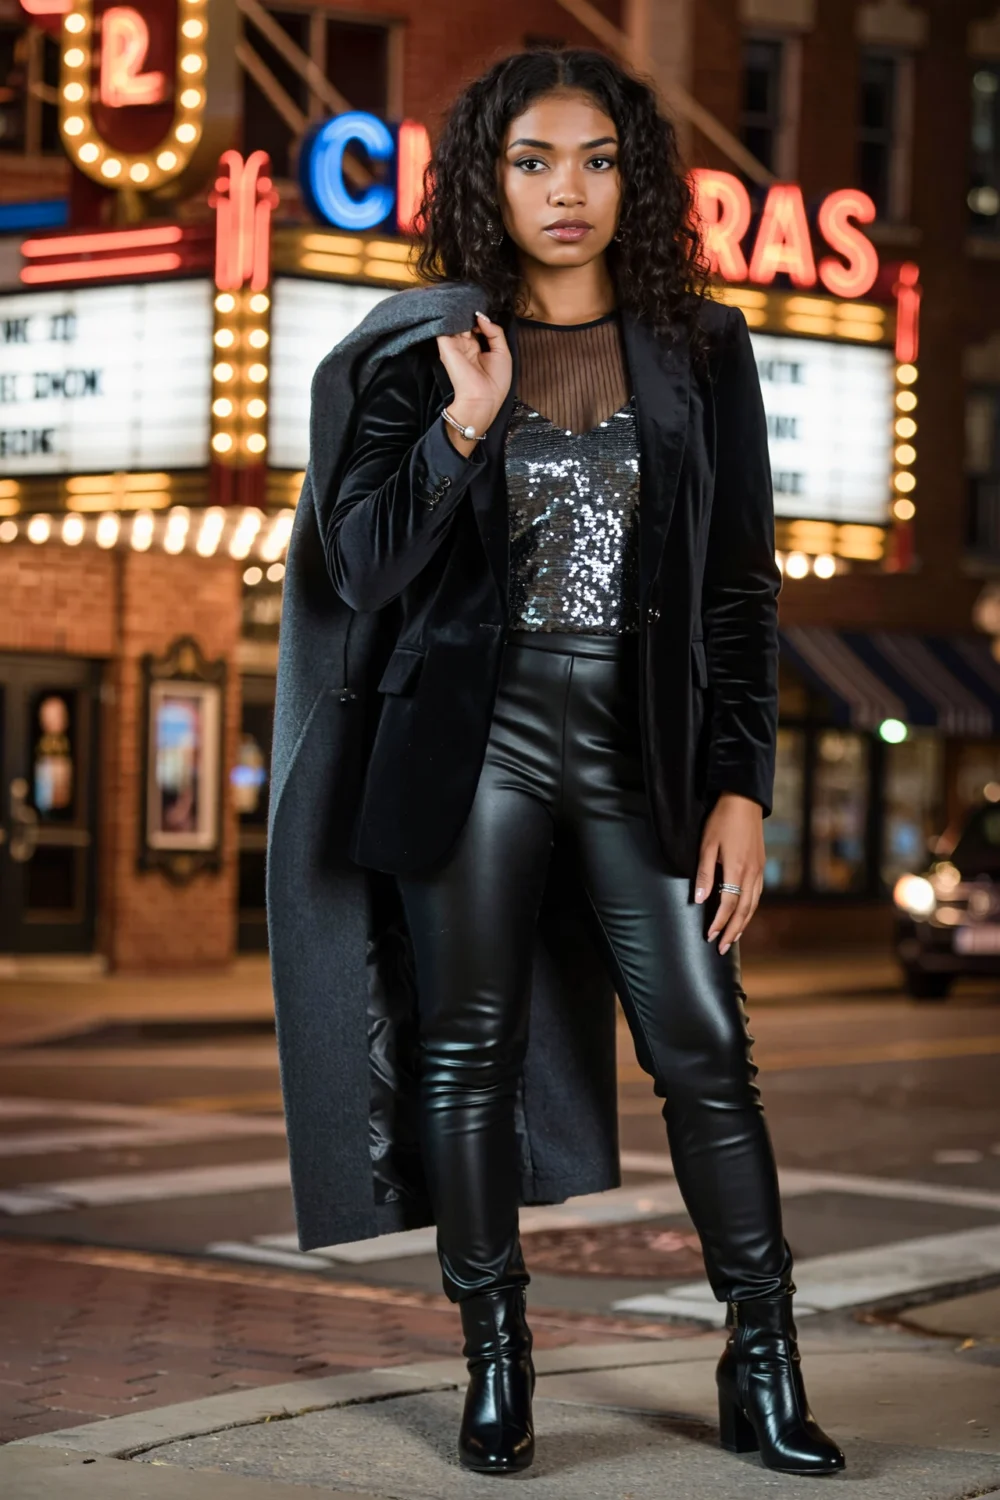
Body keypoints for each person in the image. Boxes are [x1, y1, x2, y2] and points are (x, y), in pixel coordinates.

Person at [273, 45, 845, 1481]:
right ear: (489, 178)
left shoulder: (704, 352)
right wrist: (465, 419)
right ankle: (496, 1362)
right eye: (533, 160)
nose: (567, 189)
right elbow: (361, 562)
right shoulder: (420, 351)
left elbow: (737, 593)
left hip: (639, 751)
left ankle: (762, 1361)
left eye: (595, 158)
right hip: (471, 747)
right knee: (466, 1058)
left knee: (707, 1049)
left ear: (634, 175)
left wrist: (742, 786)